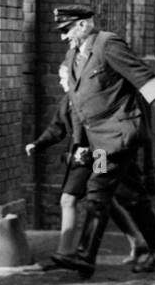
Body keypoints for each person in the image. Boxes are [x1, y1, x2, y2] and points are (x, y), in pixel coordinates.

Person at [49, 5, 155, 278]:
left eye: (67, 29)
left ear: (84, 24)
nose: (64, 37)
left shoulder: (108, 44)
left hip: (117, 136)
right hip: (97, 140)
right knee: (132, 196)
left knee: (97, 189)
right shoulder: (72, 57)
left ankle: (84, 256)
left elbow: (143, 77)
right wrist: (80, 144)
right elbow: (78, 105)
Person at [26, 64, 146, 270]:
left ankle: (67, 253)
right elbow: (57, 127)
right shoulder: (68, 101)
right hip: (82, 157)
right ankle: (136, 241)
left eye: (66, 79)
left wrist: (88, 149)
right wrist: (38, 144)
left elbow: (104, 129)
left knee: (93, 196)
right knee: (87, 199)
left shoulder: (94, 99)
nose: (62, 83)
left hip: (100, 153)